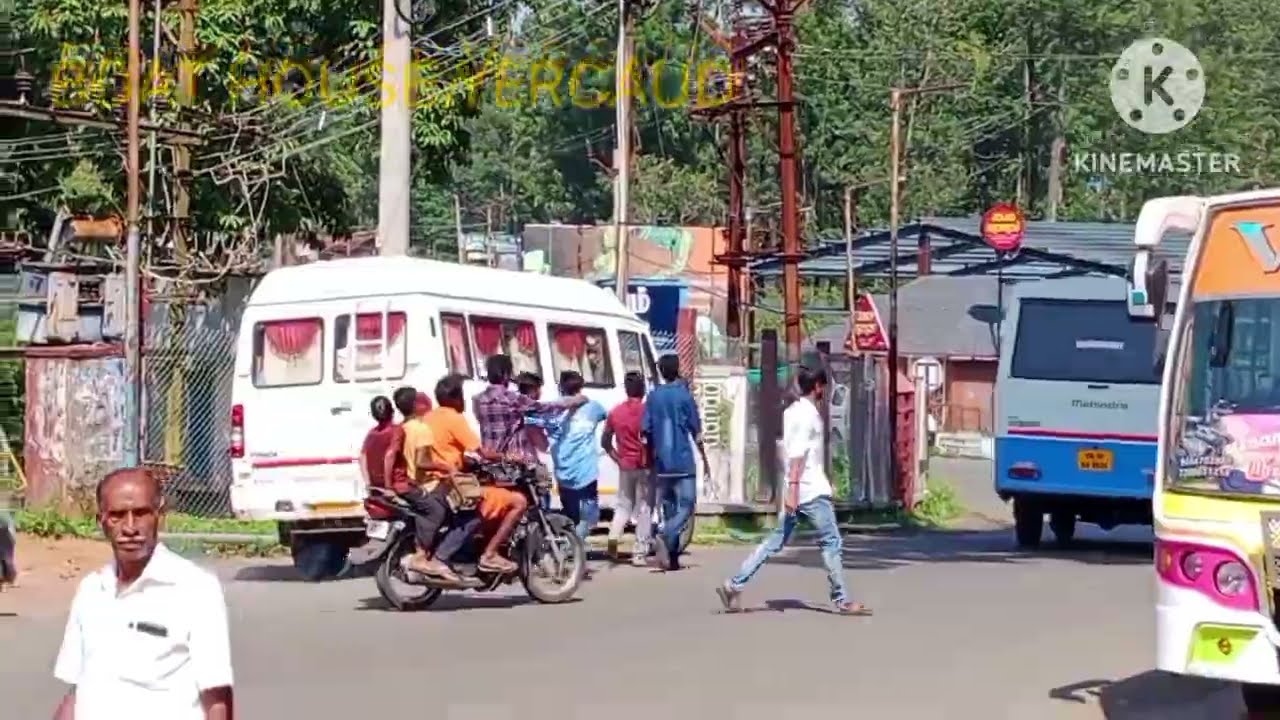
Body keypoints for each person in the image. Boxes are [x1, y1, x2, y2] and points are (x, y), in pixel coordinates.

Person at [53, 467, 234, 720]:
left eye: (140, 514)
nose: (129, 527)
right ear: (101, 522)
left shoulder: (195, 588)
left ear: (159, 516)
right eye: (117, 515)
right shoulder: (92, 590)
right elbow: (79, 689)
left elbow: (216, 697)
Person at [715, 366, 871, 616]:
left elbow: (787, 452)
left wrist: (790, 487)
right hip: (809, 491)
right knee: (831, 542)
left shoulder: (791, 412)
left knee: (774, 542)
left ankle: (735, 584)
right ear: (818, 387)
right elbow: (798, 455)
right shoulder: (809, 416)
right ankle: (842, 600)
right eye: (823, 386)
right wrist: (795, 490)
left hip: (798, 487)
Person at [472, 355, 586, 570]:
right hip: (513, 464)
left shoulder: (478, 400)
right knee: (528, 504)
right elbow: (546, 407)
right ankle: (511, 554)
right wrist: (575, 400)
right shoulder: (512, 399)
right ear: (506, 375)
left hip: (489, 463)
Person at [425, 373, 509, 576]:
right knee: (477, 513)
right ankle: (444, 557)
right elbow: (482, 451)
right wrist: (509, 457)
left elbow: (446, 449)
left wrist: (468, 462)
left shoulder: (429, 417)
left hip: (430, 480)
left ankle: (464, 554)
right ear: (454, 398)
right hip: (447, 481)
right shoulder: (454, 418)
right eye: (461, 396)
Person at [643, 354, 710, 571]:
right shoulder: (684, 396)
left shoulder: (653, 397)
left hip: (662, 463)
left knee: (669, 507)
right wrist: (704, 458)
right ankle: (667, 531)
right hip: (682, 461)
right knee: (687, 505)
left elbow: (645, 431)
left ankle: (672, 560)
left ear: (661, 371)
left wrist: (652, 456)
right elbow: (696, 432)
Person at [390, 386, 461, 581]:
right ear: (416, 405)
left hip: (409, 482)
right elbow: (423, 462)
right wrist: (446, 467)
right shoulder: (421, 429)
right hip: (423, 484)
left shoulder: (401, 428)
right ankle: (426, 554)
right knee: (455, 509)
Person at [545, 371, 608, 541]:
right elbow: (606, 415)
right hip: (586, 472)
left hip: (563, 472)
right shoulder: (592, 407)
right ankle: (574, 547)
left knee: (570, 517)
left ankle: (571, 547)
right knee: (589, 517)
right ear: (580, 387)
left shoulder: (553, 409)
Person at [603, 371, 654, 565]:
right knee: (644, 508)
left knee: (624, 505)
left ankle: (613, 536)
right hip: (645, 465)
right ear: (642, 389)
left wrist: (618, 459)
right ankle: (639, 553)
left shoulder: (616, 412)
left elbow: (605, 441)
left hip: (626, 466)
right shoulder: (647, 411)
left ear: (626, 389)